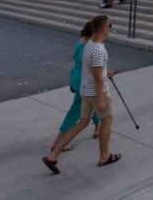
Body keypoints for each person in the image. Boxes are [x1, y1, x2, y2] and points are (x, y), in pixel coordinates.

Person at [44, 14, 121, 172]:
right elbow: (97, 78)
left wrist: (107, 71)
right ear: (102, 29)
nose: (111, 28)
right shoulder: (99, 49)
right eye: (109, 26)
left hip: (85, 90)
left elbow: (93, 69)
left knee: (82, 122)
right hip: (97, 92)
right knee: (107, 121)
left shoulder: (88, 44)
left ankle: (53, 155)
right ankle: (104, 156)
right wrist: (100, 99)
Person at [50, 21, 101, 152]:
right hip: (84, 81)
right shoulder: (90, 47)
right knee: (76, 111)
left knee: (91, 103)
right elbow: (94, 70)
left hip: (76, 77)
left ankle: (98, 127)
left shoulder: (81, 41)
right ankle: (59, 141)